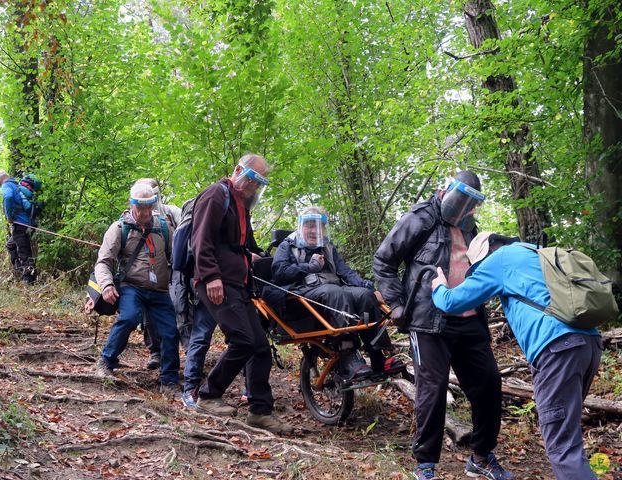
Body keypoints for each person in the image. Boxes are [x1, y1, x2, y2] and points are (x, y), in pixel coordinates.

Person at [373, 171, 512, 480]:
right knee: (431, 392)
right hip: (429, 319)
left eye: (470, 202)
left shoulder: (469, 224)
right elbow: (384, 261)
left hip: (469, 317)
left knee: (489, 384)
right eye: (460, 198)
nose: (463, 207)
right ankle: (425, 464)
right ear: (445, 191)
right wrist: (396, 305)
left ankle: (481, 456)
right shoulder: (421, 217)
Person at [431, 232, 602, 480]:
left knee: (562, 445)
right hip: (589, 343)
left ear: (488, 250)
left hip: (557, 348)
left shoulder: (499, 260)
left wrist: (439, 288)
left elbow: (453, 302)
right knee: (568, 432)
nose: (479, 271)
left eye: (477, 267)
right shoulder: (537, 253)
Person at [190, 153, 292, 434]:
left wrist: (254, 258)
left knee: (260, 346)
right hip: (216, 281)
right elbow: (202, 240)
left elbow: (238, 244)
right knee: (243, 340)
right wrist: (211, 276)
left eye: (260, 183)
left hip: (238, 283)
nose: (254, 187)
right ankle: (208, 396)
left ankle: (260, 411)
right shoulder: (215, 195)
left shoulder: (241, 205)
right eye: (252, 179)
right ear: (238, 171)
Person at [270, 206, 403, 380]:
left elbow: (346, 272)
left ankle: (378, 357)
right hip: (301, 295)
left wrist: (370, 288)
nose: (313, 230)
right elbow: (279, 274)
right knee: (336, 293)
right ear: (301, 226)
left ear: (324, 229)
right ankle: (348, 356)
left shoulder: (328, 247)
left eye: (318, 226)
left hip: (331, 291)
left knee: (363, 295)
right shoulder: (287, 245)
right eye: (309, 225)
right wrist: (307, 267)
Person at [93, 182, 181, 396]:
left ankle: (169, 380)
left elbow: (175, 257)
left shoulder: (164, 227)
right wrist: (105, 285)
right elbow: (103, 262)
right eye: (140, 207)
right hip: (131, 286)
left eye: (149, 207)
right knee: (129, 318)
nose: (144, 212)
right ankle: (106, 362)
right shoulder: (119, 228)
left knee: (170, 331)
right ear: (131, 204)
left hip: (160, 290)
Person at [133, 178, 189, 370]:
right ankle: (155, 351)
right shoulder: (132, 215)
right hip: (146, 271)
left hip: (173, 268)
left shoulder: (172, 212)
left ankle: (189, 351)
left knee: (179, 307)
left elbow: (187, 231)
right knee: (147, 313)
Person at [0, 169, 36, 284]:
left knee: (23, 251)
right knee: (11, 244)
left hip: (20, 223)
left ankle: (29, 280)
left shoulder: (6, 185)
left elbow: (8, 197)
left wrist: (9, 217)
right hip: (28, 222)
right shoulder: (15, 184)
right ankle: (20, 270)